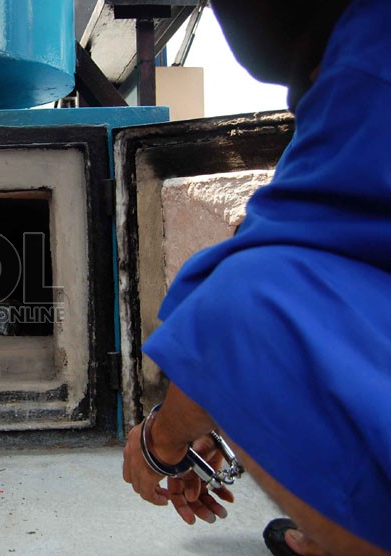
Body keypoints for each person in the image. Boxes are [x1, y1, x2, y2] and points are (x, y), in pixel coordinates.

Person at [122, 1, 390, 555]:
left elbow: (234, 307)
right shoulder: (355, 68)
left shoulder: (372, 62)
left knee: (239, 306)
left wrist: (160, 442)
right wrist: (223, 427)